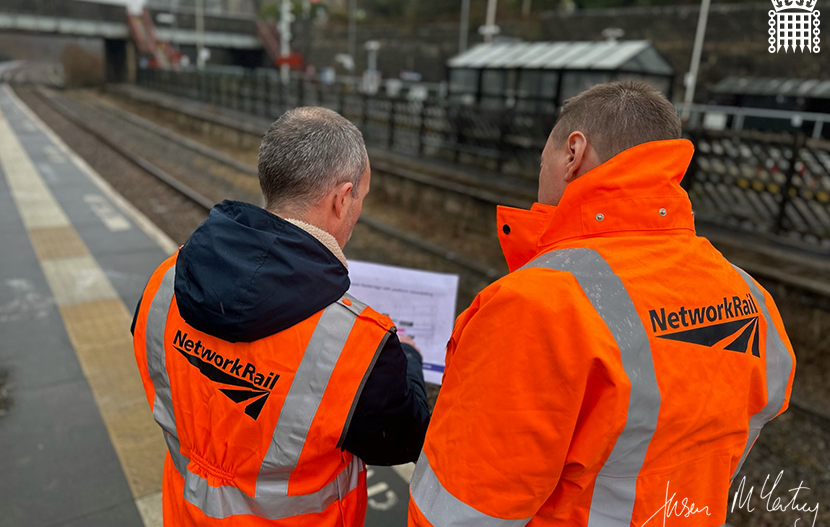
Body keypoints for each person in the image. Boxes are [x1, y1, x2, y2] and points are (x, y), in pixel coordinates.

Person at [408, 81, 796, 527]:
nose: (540, 179)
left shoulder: (536, 305)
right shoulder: (749, 295)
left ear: (574, 153)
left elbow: (461, 511)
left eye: (544, 162)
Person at [132, 106, 429, 526]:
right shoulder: (357, 347)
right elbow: (404, 440)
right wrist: (410, 361)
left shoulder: (165, 281)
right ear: (342, 199)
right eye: (360, 196)